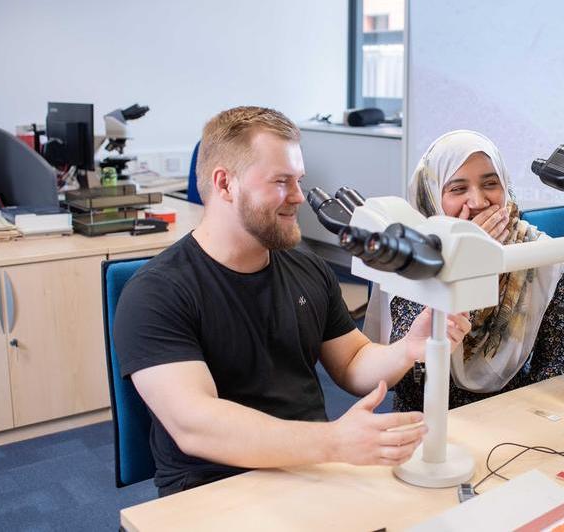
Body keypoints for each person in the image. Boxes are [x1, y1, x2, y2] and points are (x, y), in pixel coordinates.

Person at [113, 106, 471, 496]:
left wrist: (408, 349)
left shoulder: (308, 270)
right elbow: (195, 424)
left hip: (312, 470)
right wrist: (334, 441)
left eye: (299, 180)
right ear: (225, 184)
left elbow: (352, 365)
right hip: (214, 488)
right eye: (282, 181)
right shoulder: (156, 292)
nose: (299, 196)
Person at [365, 130, 564, 412]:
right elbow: (411, 377)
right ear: (431, 195)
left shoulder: (542, 256)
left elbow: (557, 364)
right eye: (457, 189)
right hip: (427, 419)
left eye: (490, 183)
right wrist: (469, 261)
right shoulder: (409, 254)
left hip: (510, 415)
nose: (477, 201)